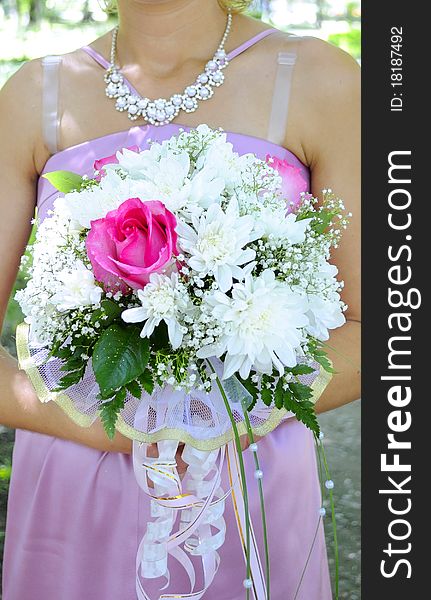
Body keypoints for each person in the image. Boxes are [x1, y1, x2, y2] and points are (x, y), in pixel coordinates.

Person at [0, 0, 360, 598]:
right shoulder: (33, 93)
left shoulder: (323, 79)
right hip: (71, 476)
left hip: (249, 477)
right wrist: (106, 427)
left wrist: (224, 420)